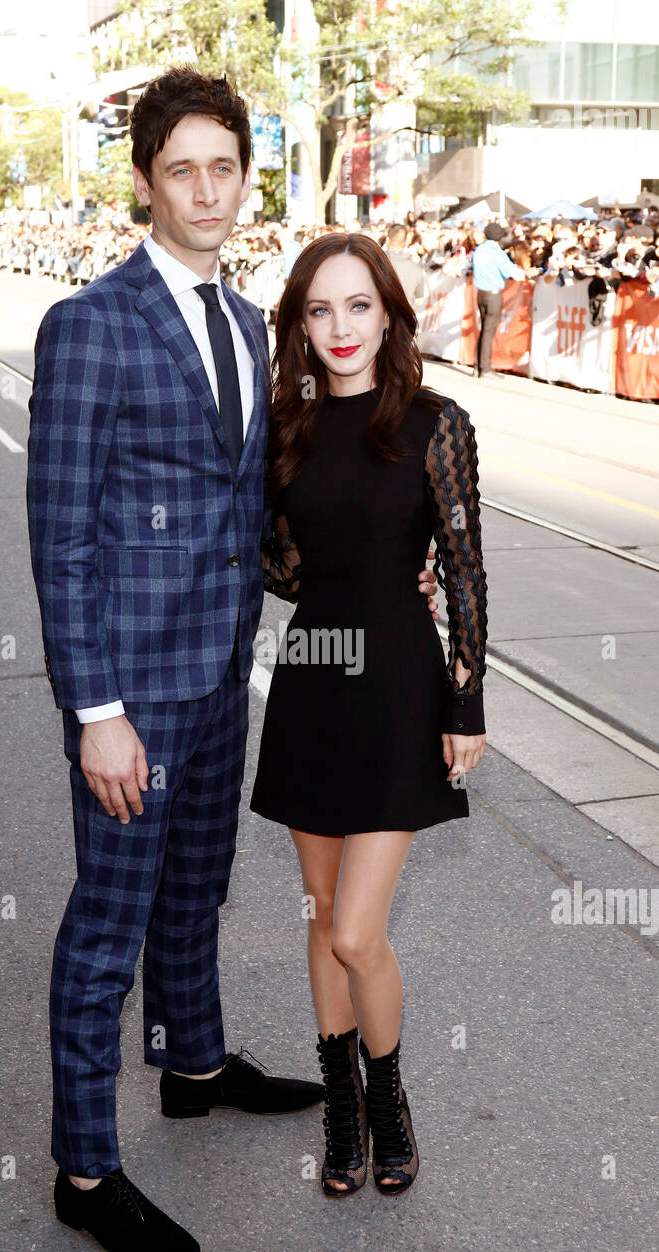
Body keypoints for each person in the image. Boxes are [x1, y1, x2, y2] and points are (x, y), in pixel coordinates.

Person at [26, 66, 439, 1252]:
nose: (204, 189)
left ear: (245, 181)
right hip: (131, 696)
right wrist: (95, 708)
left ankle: (194, 1063)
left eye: (223, 168)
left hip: (220, 684)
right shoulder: (92, 323)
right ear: (145, 183)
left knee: (195, 895)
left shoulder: (248, 321)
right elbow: (61, 538)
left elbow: (255, 516)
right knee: (107, 927)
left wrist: (375, 578)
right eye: (180, 170)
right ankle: (83, 1167)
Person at [250, 232, 488, 1198]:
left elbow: (466, 565)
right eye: (319, 310)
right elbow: (280, 568)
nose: (340, 328)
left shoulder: (437, 424)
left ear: (389, 313)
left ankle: (387, 1098)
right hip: (311, 673)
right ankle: (340, 1110)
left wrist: (464, 700)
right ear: (300, 327)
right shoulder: (287, 428)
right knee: (319, 919)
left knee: (356, 930)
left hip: (397, 679)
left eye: (358, 306)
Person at [468, 221, 523, 378]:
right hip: (493, 294)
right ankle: (484, 368)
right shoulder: (497, 252)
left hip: (481, 293)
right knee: (488, 331)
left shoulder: (479, 250)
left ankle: (478, 366)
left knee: (484, 329)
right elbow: (512, 272)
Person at [384, 223, 428, 309]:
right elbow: (420, 299)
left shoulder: (375, 263)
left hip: (381, 318)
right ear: (406, 242)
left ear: (387, 240)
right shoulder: (416, 268)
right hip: (406, 317)